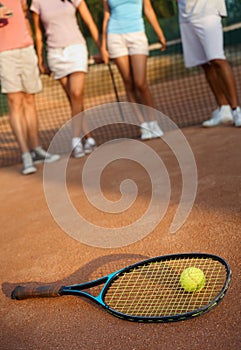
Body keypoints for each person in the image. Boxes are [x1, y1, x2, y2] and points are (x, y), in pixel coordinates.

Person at [30, 0, 102, 158]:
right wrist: (40, 60)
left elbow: (89, 21)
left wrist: (101, 48)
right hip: (55, 54)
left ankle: (76, 141)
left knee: (76, 94)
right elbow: (38, 32)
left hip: (76, 49)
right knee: (73, 100)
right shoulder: (37, 2)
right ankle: (89, 139)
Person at [0, 1, 60, 175]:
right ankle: (25, 154)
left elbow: (25, 14)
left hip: (26, 49)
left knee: (30, 99)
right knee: (14, 101)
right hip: (5, 53)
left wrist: (31, 43)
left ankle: (37, 150)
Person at [101, 0, 167, 140]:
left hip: (137, 35)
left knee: (140, 83)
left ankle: (153, 122)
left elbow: (148, 9)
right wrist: (102, 45)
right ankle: (142, 124)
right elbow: (107, 15)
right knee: (128, 83)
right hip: (115, 37)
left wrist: (160, 33)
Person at [177, 0, 241, 127]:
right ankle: (223, 109)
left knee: (217, 59)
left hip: (208, 11)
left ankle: (236, 110)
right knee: (205, 64)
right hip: (186, 16)